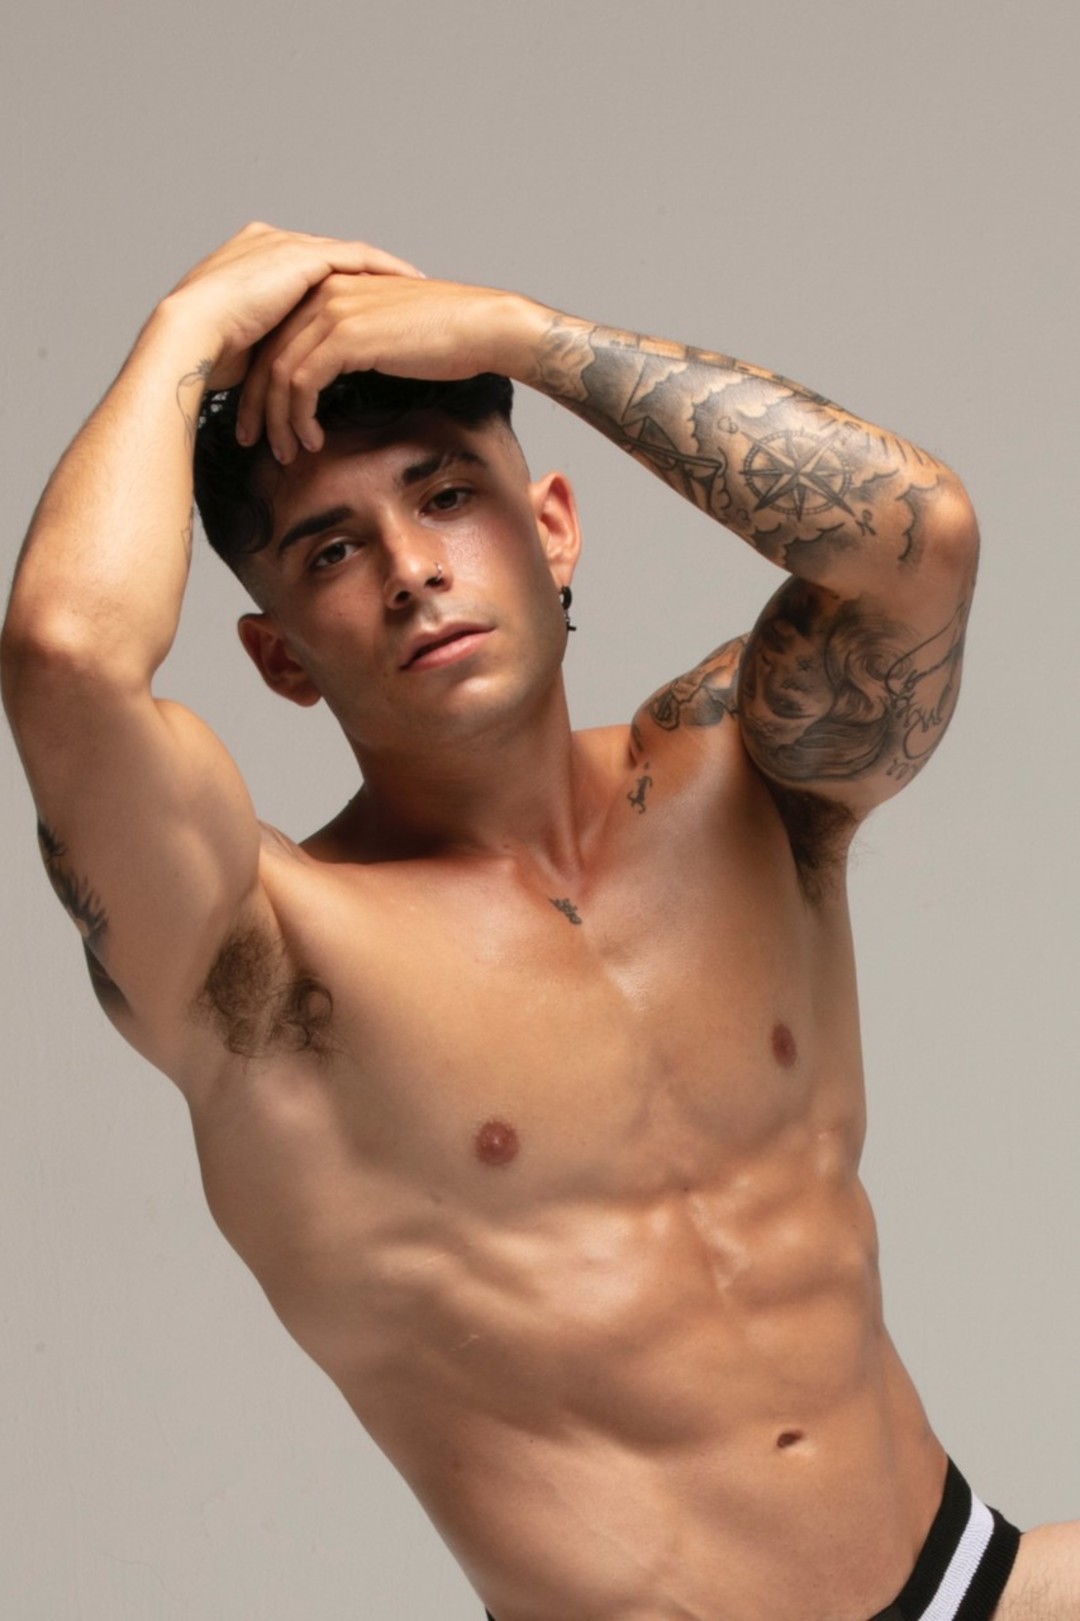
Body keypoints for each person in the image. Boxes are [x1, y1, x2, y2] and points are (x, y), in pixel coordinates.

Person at [3, 222, 1076, 1621]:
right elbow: (67, 660)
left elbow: (921, 539)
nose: (410, 568)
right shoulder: (262, 958)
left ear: (551, 527)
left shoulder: (742, 773)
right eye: (333, 550)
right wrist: (188, 328)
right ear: (279, 659)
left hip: (970, 1583)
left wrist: (525, 335)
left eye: (448, 495)